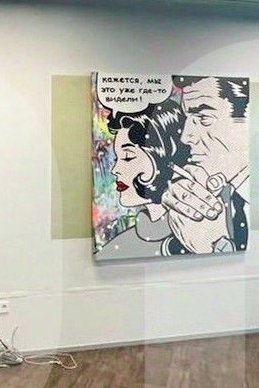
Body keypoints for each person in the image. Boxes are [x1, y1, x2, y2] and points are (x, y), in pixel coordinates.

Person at [160, 75, 250, 253]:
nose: (186, 137)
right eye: (188, 118)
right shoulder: (219, 193)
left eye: (204, 118)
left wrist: (212, 245)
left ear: (247, 119)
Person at [94, 99, 191, 260]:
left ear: (165, 158)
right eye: (117, 158)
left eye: (128, 157)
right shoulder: (116, 249)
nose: (115, 170)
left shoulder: (201, 236)